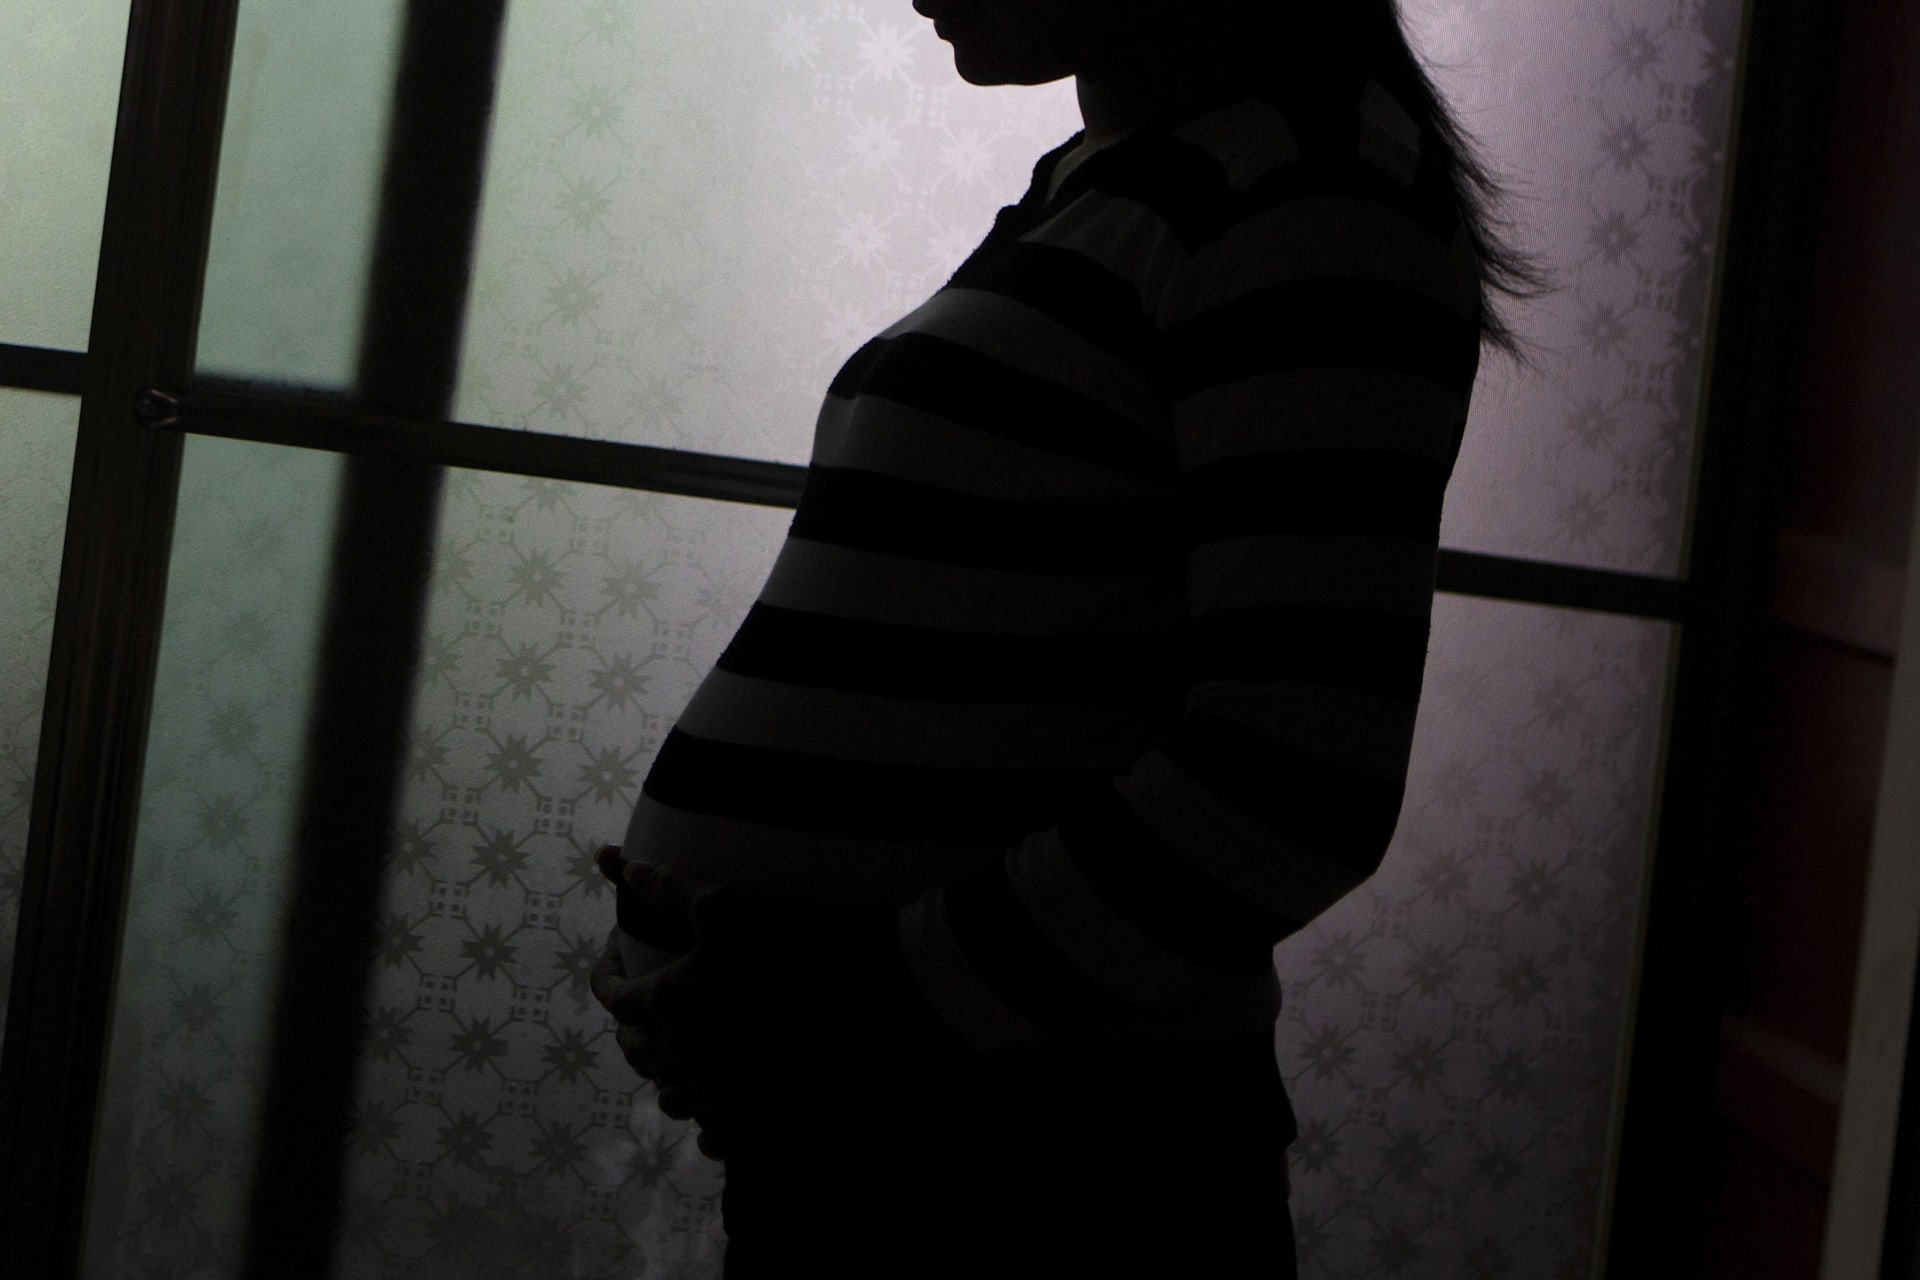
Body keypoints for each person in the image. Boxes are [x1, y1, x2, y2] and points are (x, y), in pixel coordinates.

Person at [590, 0, 1537, 1273]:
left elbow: (1294, 781)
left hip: (1051, 1173)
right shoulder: (1141, 173)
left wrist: (852, 1005)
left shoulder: (1307, 197)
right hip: (933, 1142)